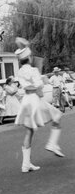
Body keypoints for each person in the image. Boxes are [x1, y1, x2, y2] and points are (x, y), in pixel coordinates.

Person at [14, 37, 65, 174]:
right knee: (58, 115)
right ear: (29, 58)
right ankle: (52, 143)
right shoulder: (33, 70)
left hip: (26, 101)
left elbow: (28, 85)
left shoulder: (19, 72)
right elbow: (39, 85)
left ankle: (25, 164)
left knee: (29, 131)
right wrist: (43, 79)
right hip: (35, 100)